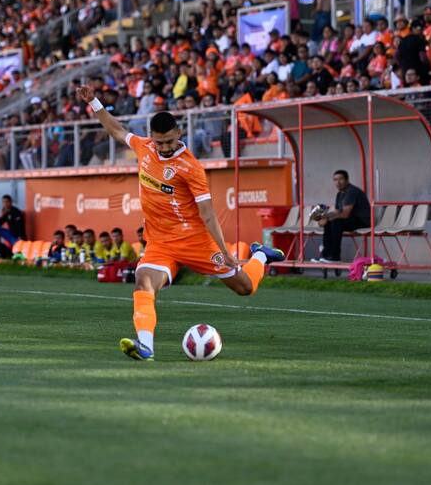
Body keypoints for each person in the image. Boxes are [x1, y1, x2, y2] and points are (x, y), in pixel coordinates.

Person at [76, 85, 285, 361]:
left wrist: (224, 251)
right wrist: (94, 101)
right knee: (143, 283)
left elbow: (208, 214)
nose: (163, 148)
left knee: (245, 287)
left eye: (168, 142)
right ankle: (145, 346)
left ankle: (260, 254)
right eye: (159, 142)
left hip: (196, 241)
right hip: (160, 243)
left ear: (178, 134)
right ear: (152, 137)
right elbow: (116, 130)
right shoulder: (145, 147)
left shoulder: (191, 168)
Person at [311, 170, 371, 263]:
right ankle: (326, 255)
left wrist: (327, 218)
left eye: (341, 179)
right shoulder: (340, 194)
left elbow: (345, 214)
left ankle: (335, 256)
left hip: (362, 221)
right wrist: (323, 216)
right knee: (329, 223)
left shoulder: (351, 192)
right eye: (335, 180)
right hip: (349, 220)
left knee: (335, 222)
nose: (338, 182)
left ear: (347, 180)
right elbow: (337, 211)